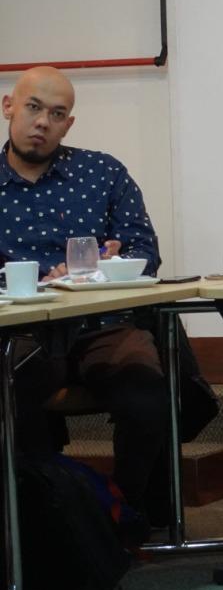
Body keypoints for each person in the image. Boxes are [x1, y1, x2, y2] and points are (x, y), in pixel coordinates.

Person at [0, 66, 187, 524]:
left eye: (56, 114)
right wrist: (35, 281)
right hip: (20, 330)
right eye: (33, 108)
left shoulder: (102, 172)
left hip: (101, 323)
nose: (42, 122)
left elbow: (145, 253)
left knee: (145, 395)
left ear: (68, 124)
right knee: (11, 394)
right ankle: (45, 513)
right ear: (9, 107)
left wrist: (101, 268)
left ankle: (121, 513)